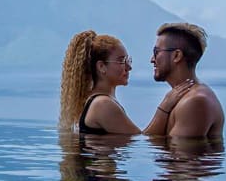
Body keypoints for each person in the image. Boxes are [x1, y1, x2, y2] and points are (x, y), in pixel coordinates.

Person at [60, 30, 192, 135]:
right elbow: (143, 140)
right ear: (101, 67)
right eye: (121, 61)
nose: (129, 67)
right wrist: (166, 105)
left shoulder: (96, 100)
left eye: (128, 60)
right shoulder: (102, 104)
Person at [143, 23, 224, 138]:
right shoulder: (180, 98)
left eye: (156, 52)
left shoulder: (195, 101)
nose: (152, 59)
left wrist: (162, 109)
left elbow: (179, 155)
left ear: (176, 55)